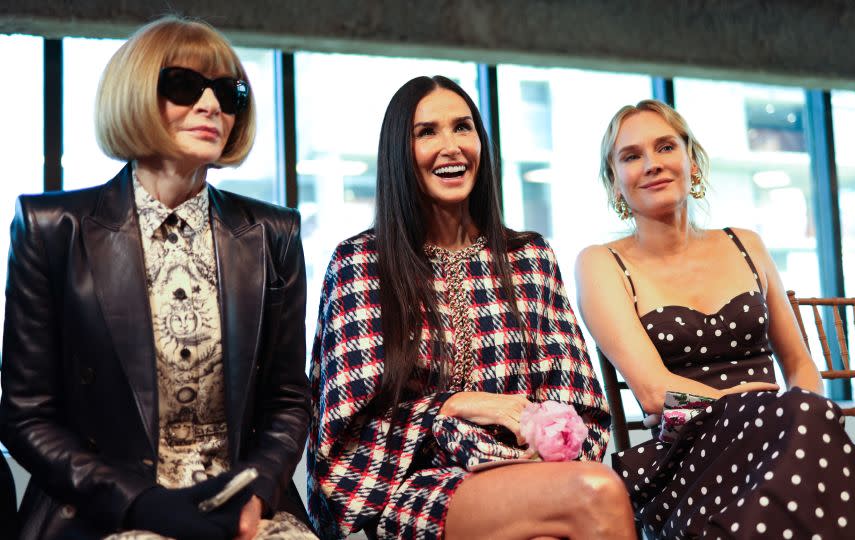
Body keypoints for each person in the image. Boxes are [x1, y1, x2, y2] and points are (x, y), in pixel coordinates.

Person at [0, 16, 315, 540]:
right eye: (185, 86)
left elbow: (287, 399)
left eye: (228, 92)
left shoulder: (273, 234)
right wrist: (141, 505)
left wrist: (257, 489)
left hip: (242, 509)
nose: (211, 105)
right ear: (135, 95)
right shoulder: (51, 228)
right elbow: (26, 417)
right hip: (104, 511)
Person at [307, 75, 634, 540]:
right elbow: (342, 439)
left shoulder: (530, 259)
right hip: (413, 488)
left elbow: (582, 410)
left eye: (463, 127)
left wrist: (539, 455)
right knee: (596, 492)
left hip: (532, 471)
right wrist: (460, 406)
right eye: (427, 132)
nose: (451, 146)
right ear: (399, 154)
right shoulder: (361, 264)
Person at [575, 99, 855, 539]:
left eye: (665, 147)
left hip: (782, 437)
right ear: (615, 183)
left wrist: (800, 427)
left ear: (692, 160)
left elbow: (801, 366)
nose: (652, 164)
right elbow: (655, 395)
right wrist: (760, 404)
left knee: (805, 440)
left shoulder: (746, 244)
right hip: (687, 458)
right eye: (632, 157)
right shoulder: (602, 263)